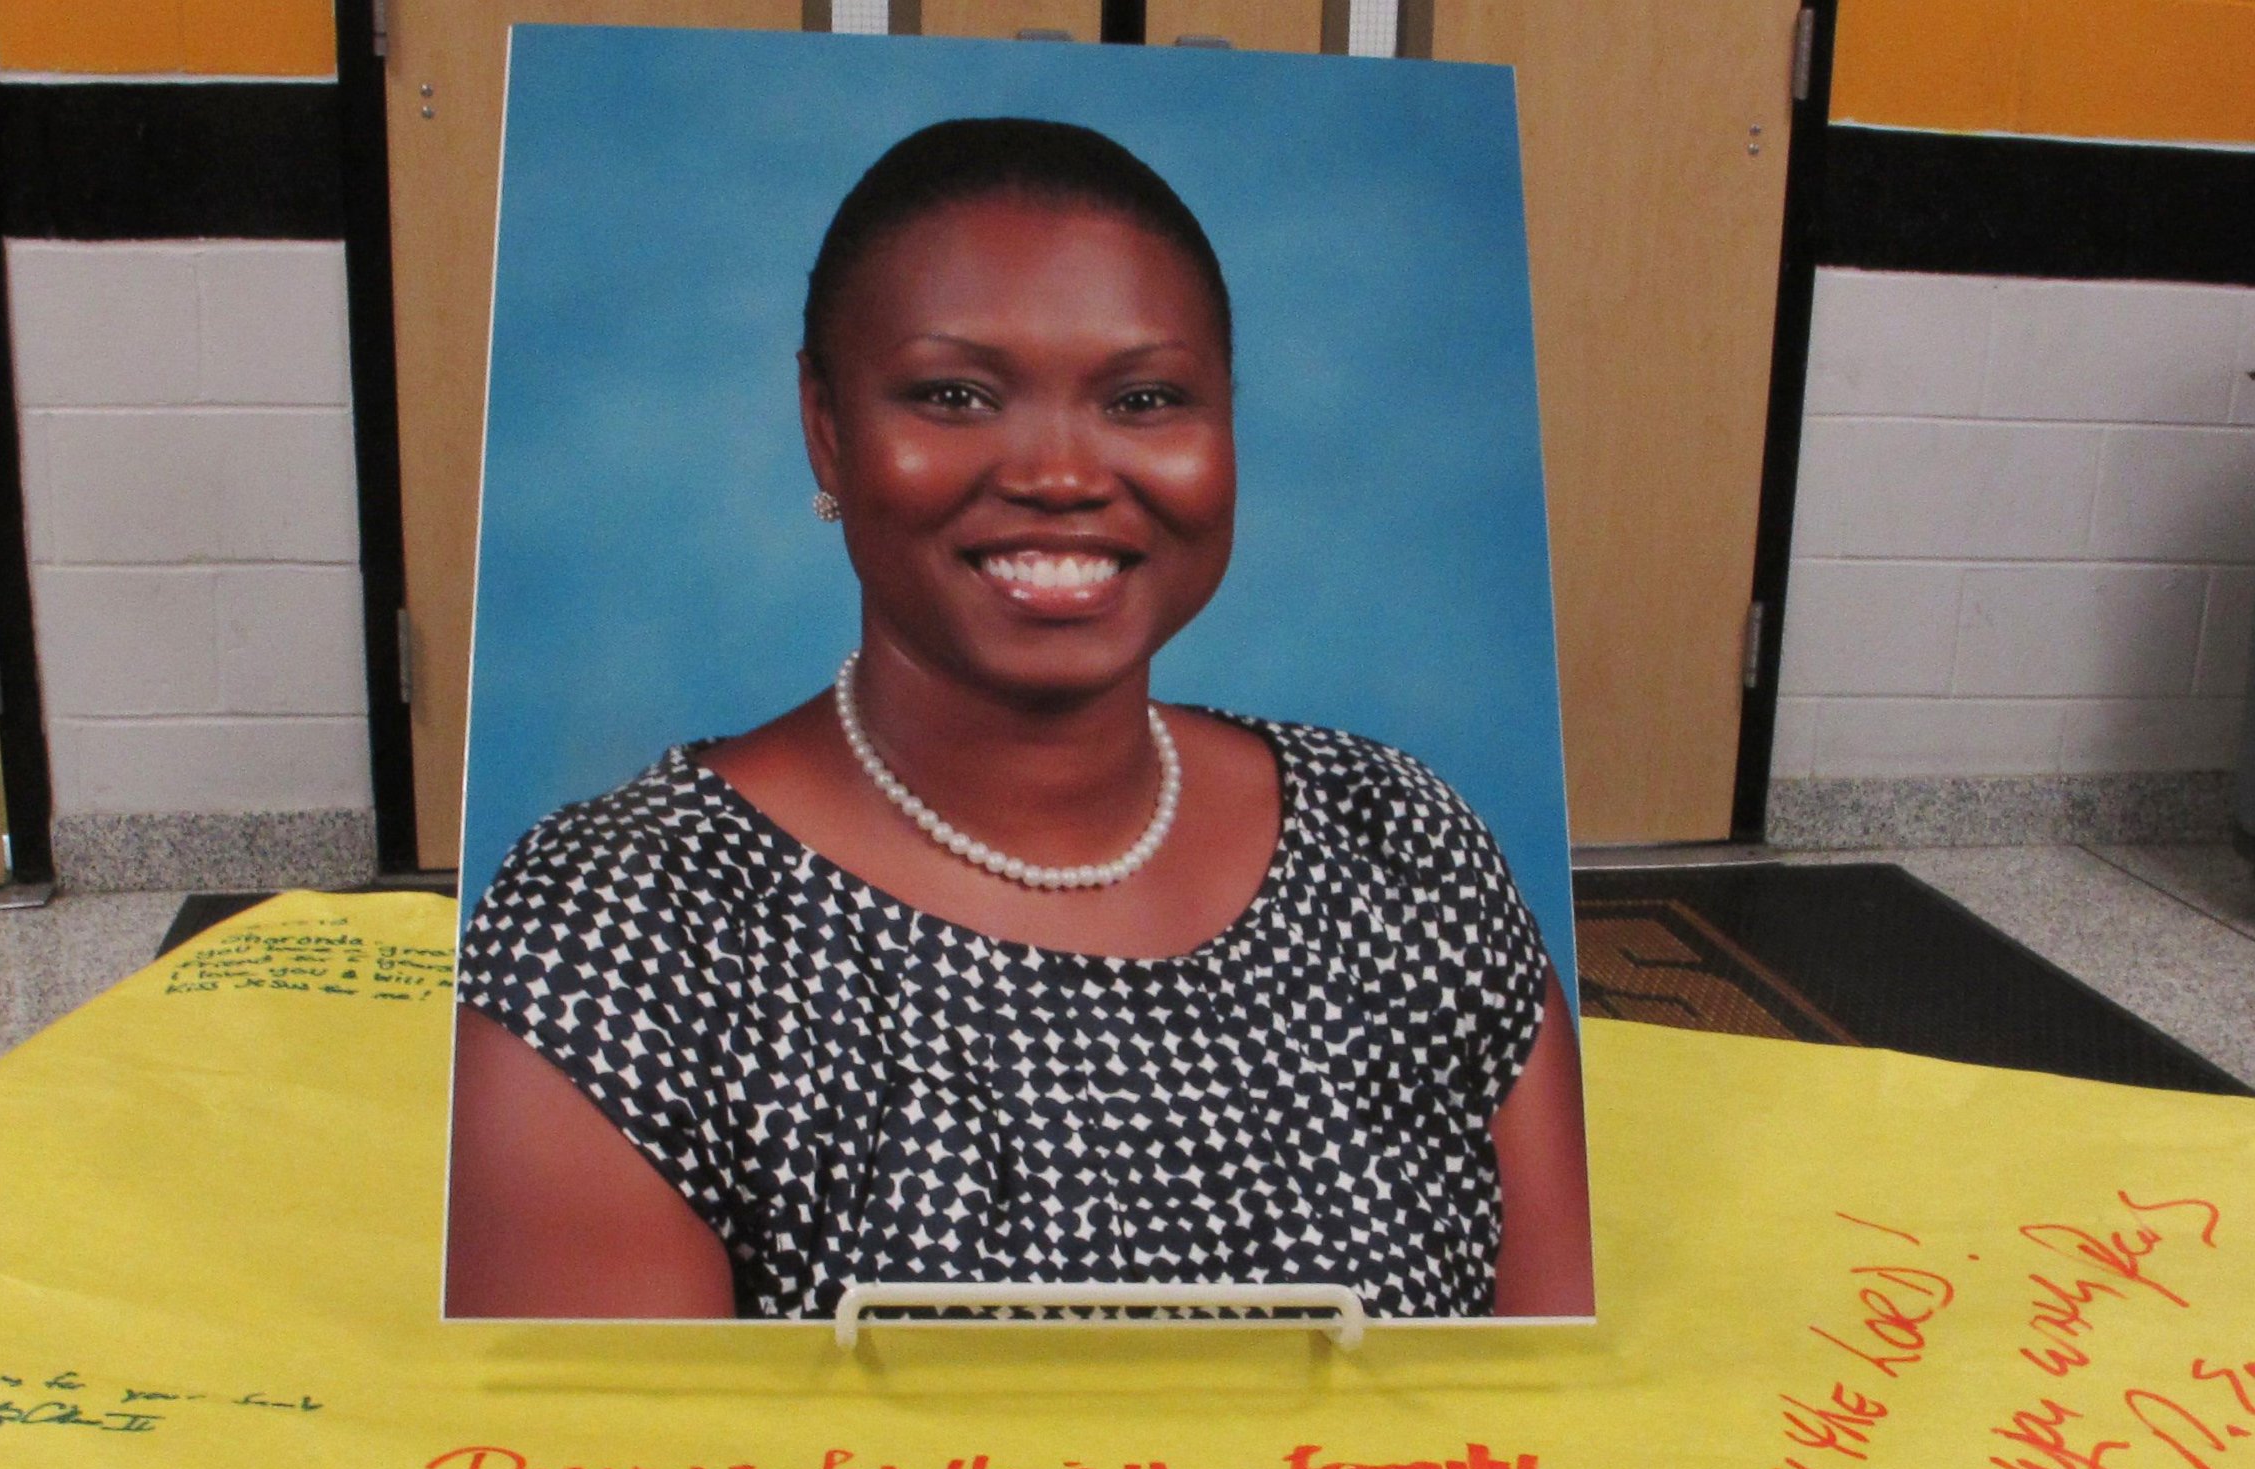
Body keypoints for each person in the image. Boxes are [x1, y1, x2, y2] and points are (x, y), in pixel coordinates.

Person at [449, 116, 1593, 1322]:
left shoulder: (1402, 851)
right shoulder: (630, 936)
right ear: (827, 424)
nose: (1059, 472)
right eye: (956, 395)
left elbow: (1563, 1416)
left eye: (1145, 398)